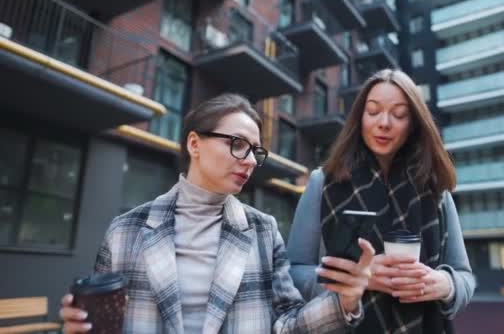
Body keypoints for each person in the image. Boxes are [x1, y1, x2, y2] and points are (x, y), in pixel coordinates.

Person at [59, 93, 375, 334]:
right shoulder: (125, 231)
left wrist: (344, 301)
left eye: (256, 150)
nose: (250, 160)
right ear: (195, 144)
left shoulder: (262, 231)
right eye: (238, 144)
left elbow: (286, 326)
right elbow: (101, 320)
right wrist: (78, 326)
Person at [287, 69, 475, 333]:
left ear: (413, 124)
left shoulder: (435, 190)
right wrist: (357, 279)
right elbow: (293, 273)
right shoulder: (323, 183)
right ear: (359, 118)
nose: (384, 123)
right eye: (373, 111)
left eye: (399, 114)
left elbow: (464, 278)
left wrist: (444, 284)